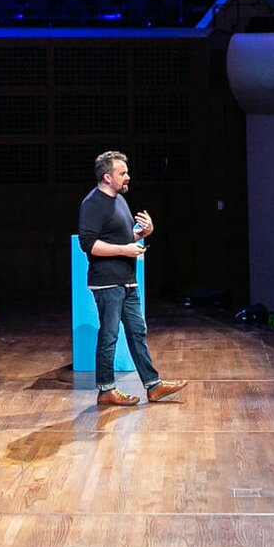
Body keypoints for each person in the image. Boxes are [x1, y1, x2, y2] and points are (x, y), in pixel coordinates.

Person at [78, 151, 185, 408]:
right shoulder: (92, 203)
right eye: (122, 173)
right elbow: (88, 244)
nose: (128, 177)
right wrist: (124, 250)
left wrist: (144, 232)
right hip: (107, 282)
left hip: (127, 279)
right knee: (109, 335)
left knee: (138, 331)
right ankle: (106, 389)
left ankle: (153, 385)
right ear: (107, 177)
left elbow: (124, 237)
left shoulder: (119, 200)